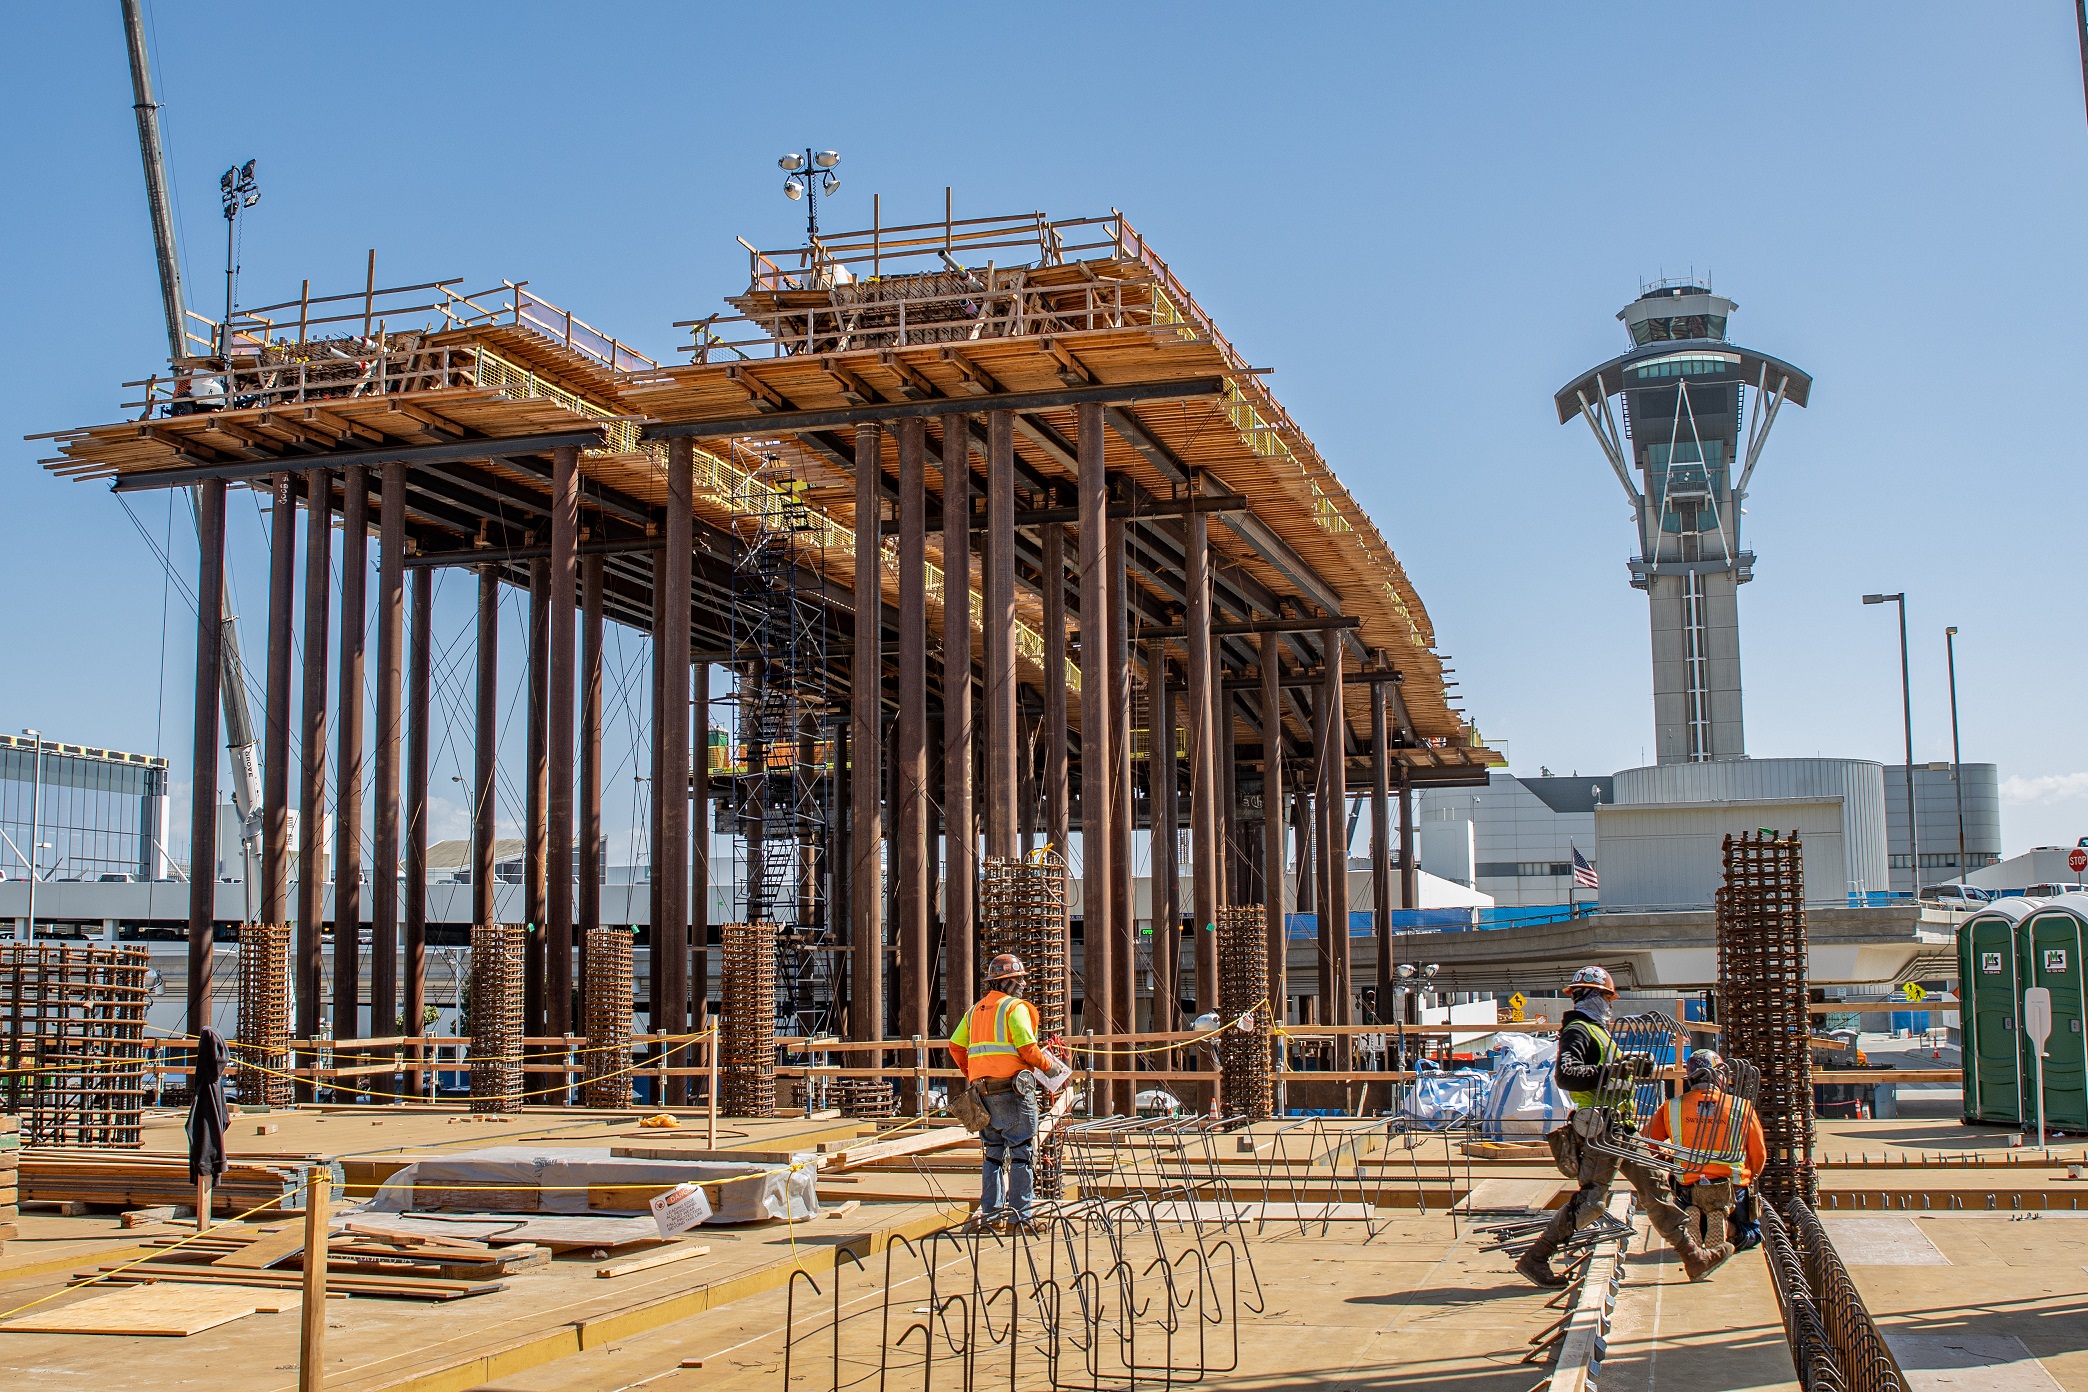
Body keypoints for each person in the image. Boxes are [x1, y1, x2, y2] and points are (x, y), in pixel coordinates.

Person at [1516, 965, 1732, 1287]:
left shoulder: (1598, 1030)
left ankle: (1693, 1257)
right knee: (1592, 1201)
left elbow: (1606, 1069)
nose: (1610, 1003)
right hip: (1601, 1129)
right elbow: (1566, 1075)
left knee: (1655, 1190)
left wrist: (1629, 1064)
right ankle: (1535, 1258)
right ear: (1590, 995)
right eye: (1606, 997)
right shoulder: (1579, 1030)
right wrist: (1614, 1068)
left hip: (1622, 1127)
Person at [947, 953, 1067, 1227]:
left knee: (993, 1155)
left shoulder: (975, 1011)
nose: (1023, 984)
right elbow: (1027, 1049)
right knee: (1022, 1153)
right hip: (1013, 1094)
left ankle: (991, 1216)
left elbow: (955, 1046)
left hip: (982, 1095)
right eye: (1018, 980)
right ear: (1006, 982)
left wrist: (972, 1073)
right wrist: (1050, 1068)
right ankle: (1021, 1218)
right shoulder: (1015, 1008)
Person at [1641, 1048, 1768, 1252]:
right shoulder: (1741, 1106)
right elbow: (1758, 1154)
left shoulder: (1672, 1107)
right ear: (1720, 1076)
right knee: (1753, 1235)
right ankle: (1730, 1228)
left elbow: (1648, 1144)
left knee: (1691, 1210)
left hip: (1689, 1188)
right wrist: (1749, 1177)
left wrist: (1671, 1160)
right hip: (1733, 1188)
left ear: (1690, 1078)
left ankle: (1697, 1220)